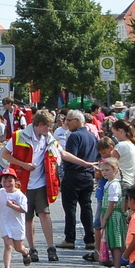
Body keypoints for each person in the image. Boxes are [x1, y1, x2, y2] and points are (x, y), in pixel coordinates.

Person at [3, 110, 59, 262]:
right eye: (48, 126)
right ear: (40, 125)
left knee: (44, 214)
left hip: (41, 183)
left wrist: (85, 163)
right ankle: (33, 249)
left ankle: (51, 248)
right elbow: (5, 154)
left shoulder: (48, 138)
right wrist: (23, 165)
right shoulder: (19, 136)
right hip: (23, 183)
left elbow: (61, 153)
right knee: (28, 217)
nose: (50, 129)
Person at [56, 110, 100, 257]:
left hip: (74, 174)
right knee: (86, 207)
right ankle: (90, 239)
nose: (66, 123)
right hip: (88, 176)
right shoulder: (92, 136)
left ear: (77, 121)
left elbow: (70, 156)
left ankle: (70, 238)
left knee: (70, 208)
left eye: (69, 120)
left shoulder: (74, 136)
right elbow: (97, 155)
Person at [0, 168, 29, 268]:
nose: (7, 184)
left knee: (18, 247)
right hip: (5, 224)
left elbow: (24, 210)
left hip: (17, 225)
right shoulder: (1, 192)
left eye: (10, 181)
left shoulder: (19, 195)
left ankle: (25, 252)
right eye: (4, 181)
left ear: (15, 181)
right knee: (8, 245)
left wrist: (12, 206)